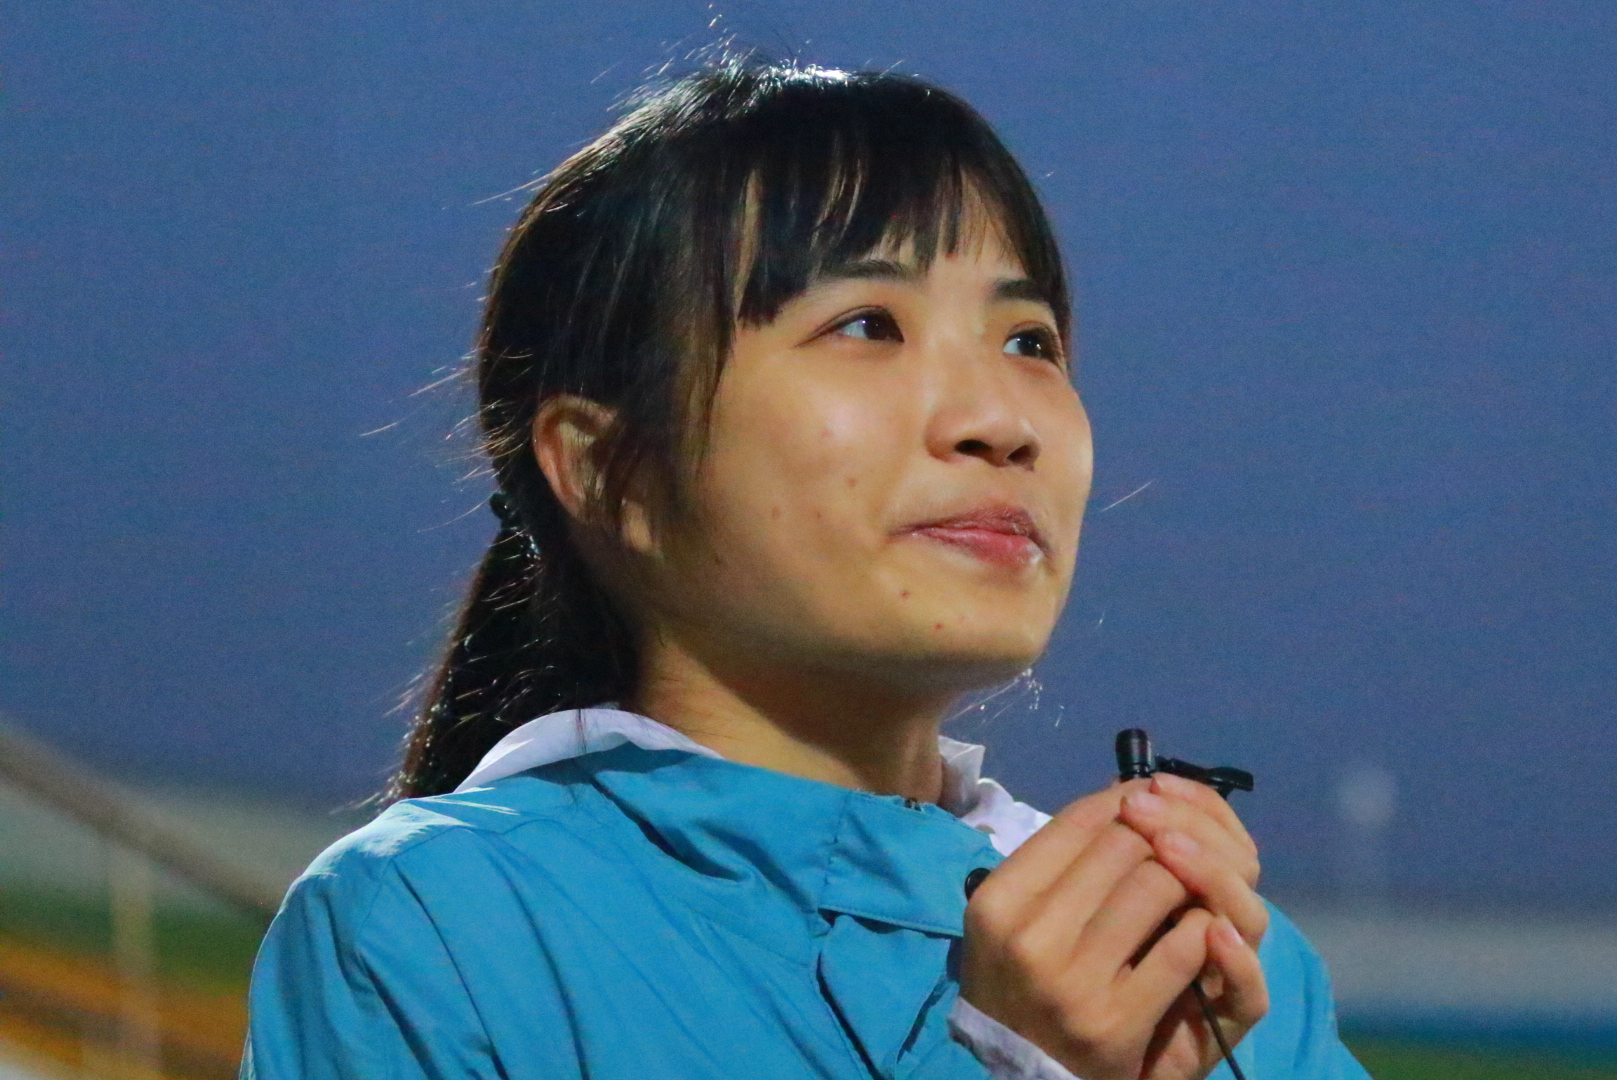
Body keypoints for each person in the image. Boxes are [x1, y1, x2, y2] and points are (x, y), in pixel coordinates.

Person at [243, 57, 1369, 1080]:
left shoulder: (1215, 968)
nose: (999, 420)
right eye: (868, 325)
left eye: (1030, 342)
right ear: (606, 470)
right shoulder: (435, 931)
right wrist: (1015, 1062)